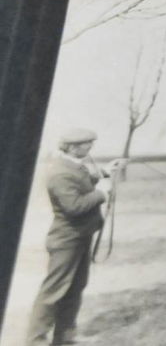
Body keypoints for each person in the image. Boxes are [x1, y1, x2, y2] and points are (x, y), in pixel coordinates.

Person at [27, 128, 118, 345]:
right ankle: (35, 340)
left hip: (80, 237)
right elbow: (74, 206)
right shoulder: (59, 172)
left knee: (75, 288)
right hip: (66, 240)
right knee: (53, 292)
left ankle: (65, 338)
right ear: (73, 147)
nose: (91, 148)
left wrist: (105, 172)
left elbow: (82, 182)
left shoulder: (73, 167)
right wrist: (102, 194)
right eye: (87, 144)